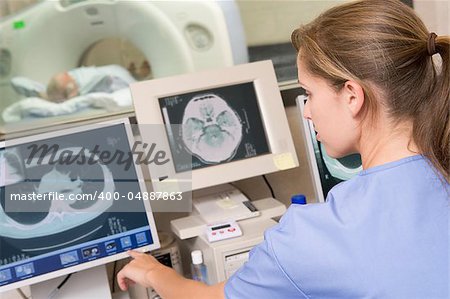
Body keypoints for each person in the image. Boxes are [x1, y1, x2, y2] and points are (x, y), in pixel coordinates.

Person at [116, 0, 449, 298]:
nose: (306, 110)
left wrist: (153, 272)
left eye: (310, 92)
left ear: (352, 96)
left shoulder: (314, 237)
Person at [46, 64, 136, 103]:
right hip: (112, 75)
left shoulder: (83, 79)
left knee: (138, 92)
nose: (70, 75)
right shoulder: (71, 79)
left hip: (117, 77)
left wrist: (73, 93)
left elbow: (75, 92)